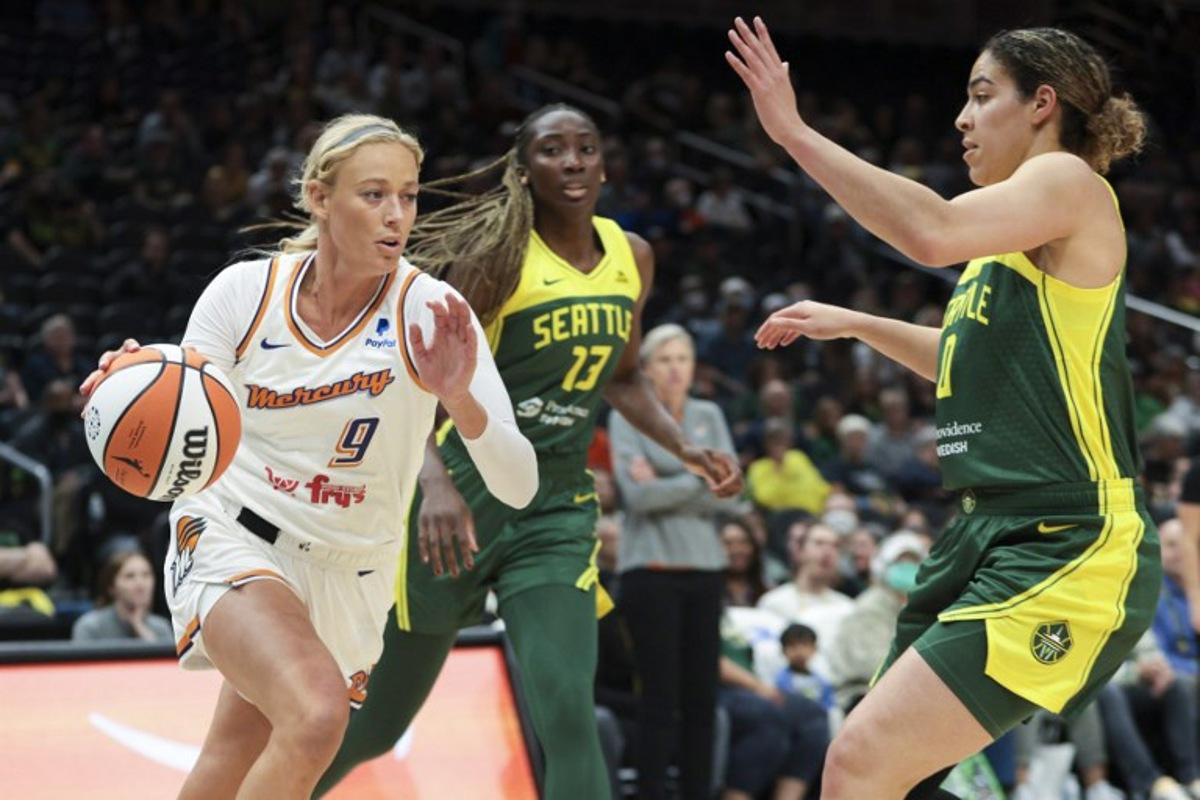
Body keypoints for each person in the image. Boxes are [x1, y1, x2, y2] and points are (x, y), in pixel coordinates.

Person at [732, 16, 1158, 799]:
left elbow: (932, 230)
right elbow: (965, 363)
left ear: (1042, 103)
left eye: (982, 95)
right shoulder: (1008, 243)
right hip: (986, 532)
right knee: (902, 777)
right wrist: (859, 322)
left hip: (1066, 538)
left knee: (859, 762)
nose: (961, 118)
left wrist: (792, 132)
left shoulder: (1066, 182)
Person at [78, 114, 538, 800]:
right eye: (374, 194)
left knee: (234, 753)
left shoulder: (433, 313)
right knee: (317, 715)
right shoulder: (244, 294)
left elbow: (520, 485)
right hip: (235, 533)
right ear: (320, 198)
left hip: (353, 571)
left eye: (408, 196)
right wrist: (132, 384)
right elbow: (182, 404)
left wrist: (457, 400)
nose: (397, 216)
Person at [317, 104, 742, 799]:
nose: (572, 162)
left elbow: (625, 375)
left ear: (604, 164)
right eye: (552, 150)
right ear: (523, 169)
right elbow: (415, 374)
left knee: (570, 715)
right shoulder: (499, 259)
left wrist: (685, 445)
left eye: (585, 148)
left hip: (554, 514)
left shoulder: (631, 256)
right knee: (378, 728)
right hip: (455, 507)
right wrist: (435, 481)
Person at [609, 322, 743, 800]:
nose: (674, 369)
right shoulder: (627, 417)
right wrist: (700, 479)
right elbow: (636, 499)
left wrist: (666, 479)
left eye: (682, 359)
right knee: (660, 698)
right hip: (650, 571)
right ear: (645, 368)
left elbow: (730, 497)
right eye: (664, 359)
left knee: (703, 699)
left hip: (706, 569)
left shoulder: (709, 413)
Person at [72, 549, 172, 642]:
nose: (140, 584)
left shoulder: (161, 627)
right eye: (130, 576)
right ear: (111, 587)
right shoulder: (90, 627)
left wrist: (139, 626)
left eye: (146, 575)